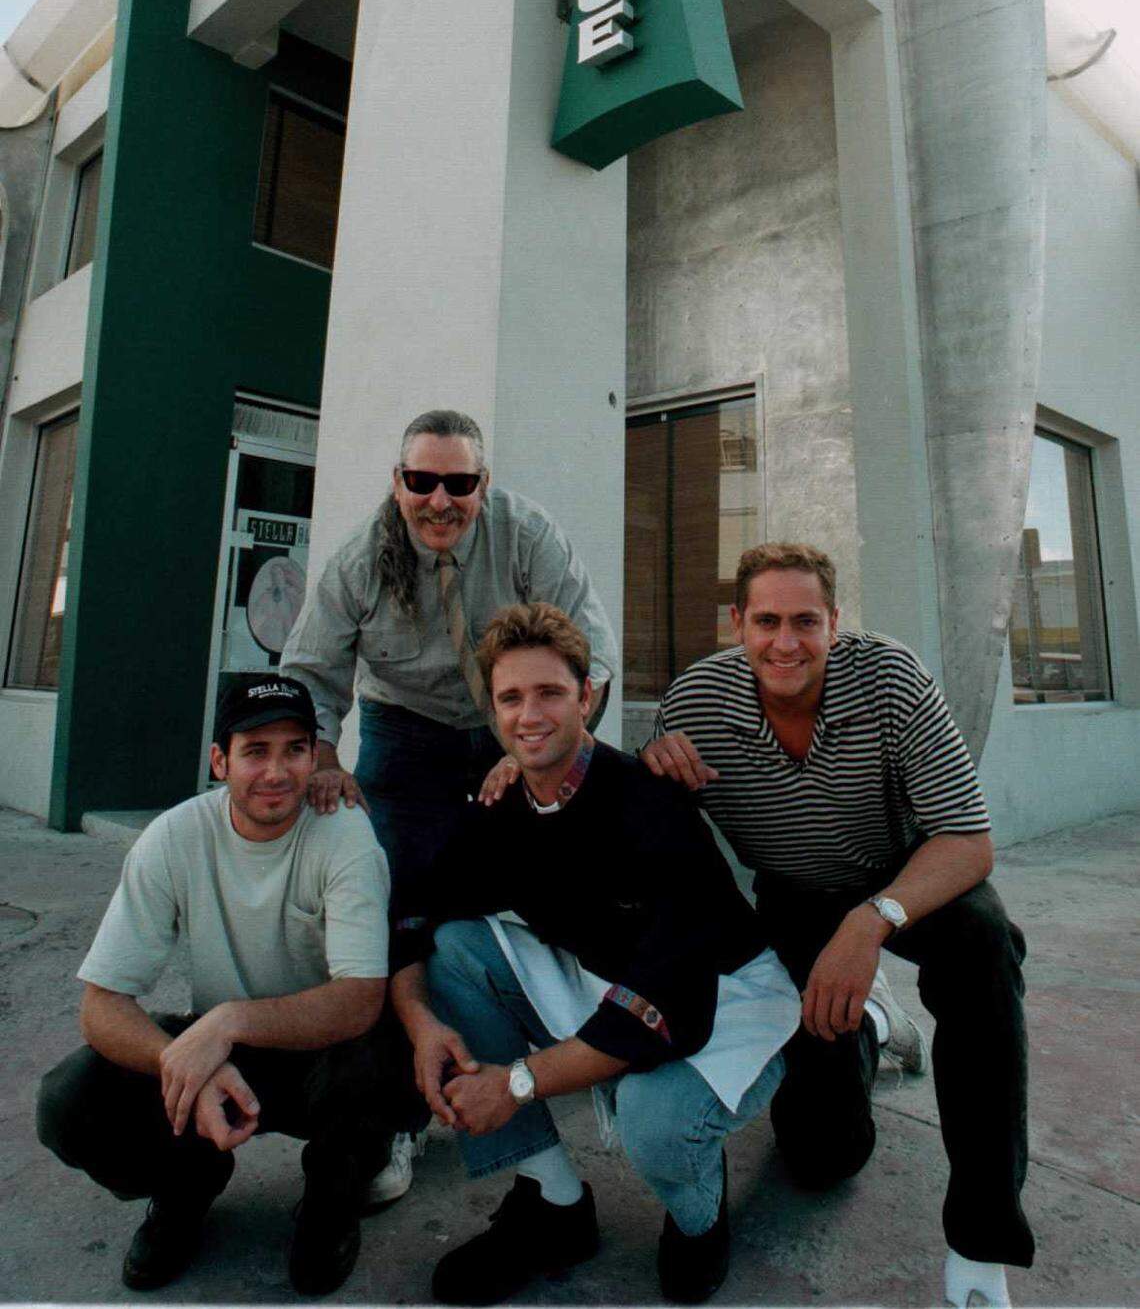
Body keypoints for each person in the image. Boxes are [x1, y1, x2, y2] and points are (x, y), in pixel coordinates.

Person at [643, 543, 1033, 1309]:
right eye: (766, 621)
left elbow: (969, 837)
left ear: (834, 624)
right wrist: (650, 763)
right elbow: (630, 817)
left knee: (985, 948)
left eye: (805, 621)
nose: (785, 642)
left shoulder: (888, 676)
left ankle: (981, 1250)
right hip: (793, 894)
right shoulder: (693, 705)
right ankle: (873, 1023)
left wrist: (871, 921)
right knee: (821, 1157)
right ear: (736, 624)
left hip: (908, 875)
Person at [391, 603, 801, 1307]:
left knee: (654, 1119)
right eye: (511, 698)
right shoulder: (502, 804)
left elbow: (666, 1003)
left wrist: (515, 1082)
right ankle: (553, 1200)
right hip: (609, 979)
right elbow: (418, 915)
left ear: (588, 697)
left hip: (727, 999)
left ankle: (698, 1214)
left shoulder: (649, 804)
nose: (530, 715)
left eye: (550, 693)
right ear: (491, 714)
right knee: (456, 951)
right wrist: (420, 1023)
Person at [280, 407, 617, 1202]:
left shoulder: (528, 534)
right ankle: (400, 1113)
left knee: (556, 889)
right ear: (398, 482)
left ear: (482, 484)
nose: (440, 500)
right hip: (408, 730)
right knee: (399, 908)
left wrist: (534, 747)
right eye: (421, 481)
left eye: (458, 483)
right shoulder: (363, 557)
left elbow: (593, 653)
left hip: (515, 722)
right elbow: (310, 671)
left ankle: (575, 1055)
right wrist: (325, 756)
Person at [36, 674, 396, 1298]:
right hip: (220, 1061)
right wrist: (185, 1064)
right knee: (68, 1101)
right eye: (255, 751)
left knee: (380, 1060)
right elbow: (101, 1004)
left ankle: (328, 1206)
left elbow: (360, 997)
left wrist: (227, 1021)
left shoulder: (345, 837)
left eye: (295, 749)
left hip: (322, 1054)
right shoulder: (175, 837)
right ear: (219, 760)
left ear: (316, 755)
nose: (278, 771)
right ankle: (186, 1187)